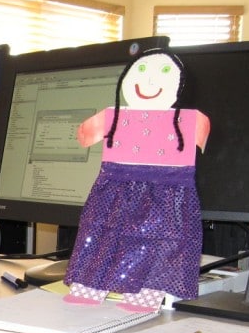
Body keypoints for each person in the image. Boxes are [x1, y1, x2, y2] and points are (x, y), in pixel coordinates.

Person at [64, 49, 211, 312]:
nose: (151, 82)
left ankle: (145, 293)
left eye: (163, 73)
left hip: (169, 190)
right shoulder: (113, 117)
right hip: (115, 186)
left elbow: (83, 135)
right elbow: (85, 135)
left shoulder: (191, 120)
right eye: (142, 72)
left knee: (163, 242)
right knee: (102, 235)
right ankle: (90, 286)